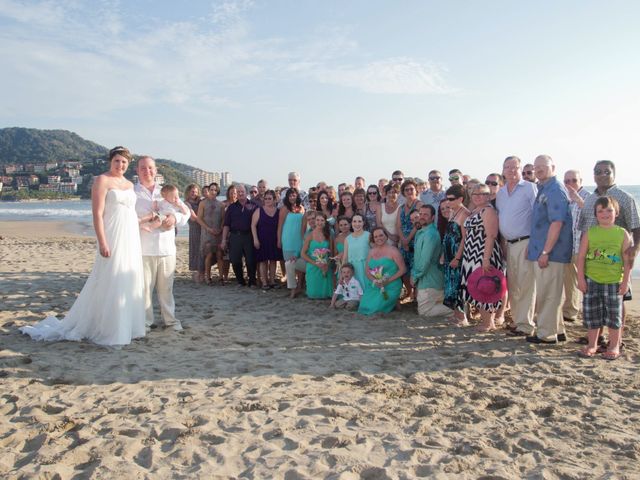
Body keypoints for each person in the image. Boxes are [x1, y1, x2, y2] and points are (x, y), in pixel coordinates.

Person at [21, 146, 145, 345]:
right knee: (108, 277)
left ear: (128, 164)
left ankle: (127, 325)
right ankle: (107, 328)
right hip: (112, 234)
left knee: (127, 278)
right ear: (110, 161)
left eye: (124, 162)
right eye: (117, 161)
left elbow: (131, 213)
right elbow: (97, 214)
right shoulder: (102, 180)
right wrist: (102, 241)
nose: (120, 165)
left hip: (130, 236)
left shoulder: (130, 184)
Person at [578, 160, 640, 349]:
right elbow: (583, 228)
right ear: (593, 175)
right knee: (595, 302)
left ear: (614, 173)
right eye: (598, 171)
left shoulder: (624, 197)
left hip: (615, 262)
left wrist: (634, 250)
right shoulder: (589, 198)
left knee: (617, 300)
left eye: (607, 171)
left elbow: (636, 226)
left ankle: (617, 341)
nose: (602, 174)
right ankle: (598, 338)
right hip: (591, 261)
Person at [135, 156, 188, 332]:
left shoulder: (166, 191)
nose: (147, 171)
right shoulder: (132, 193)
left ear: (156, 170)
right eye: (143, 168)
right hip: (144, 248)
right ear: (137, 170)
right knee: (144, 290)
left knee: (166, 289)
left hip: (166, 248)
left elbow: (185, 212)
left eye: (150, 168)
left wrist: (174, 218)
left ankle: (170, 321)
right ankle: (145, 322)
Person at [577, 197, 632, 360]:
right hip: (592, 280)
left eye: (609, 210)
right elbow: (581, 258)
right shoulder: (590, 233)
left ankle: (614, 345)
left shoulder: (622, 233)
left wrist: (625, 282)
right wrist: (581, 278)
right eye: (600, 211)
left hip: (614, 282)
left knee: (614, 317)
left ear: (616, 213)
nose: (605, 214)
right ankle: (592, 345)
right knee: (592, 315)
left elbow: (627, 261)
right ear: (595, 214)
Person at [526, 154, 573, 345]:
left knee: (548, 294)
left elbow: (557, 222)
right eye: (536, 167)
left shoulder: (555, 190)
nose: (538, 170)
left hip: (552, 253)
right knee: (550, 292)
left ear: (553, 167)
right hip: (541, 250)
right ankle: (558, 329)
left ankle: (546, 334)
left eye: (542, 166)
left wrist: (545, 252)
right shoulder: (544, 188)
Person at [496, 156, 538, 337]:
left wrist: (535, 244)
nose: (512, 171)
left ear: (520, 169)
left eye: (515, 167)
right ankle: (517, 320)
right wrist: (504, 244)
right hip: (509, 245)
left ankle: (526, 325)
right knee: (513, 286)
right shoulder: (501, 192)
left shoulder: (529, 188)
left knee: (527, 285)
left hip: (526, 242)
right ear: (503, 170)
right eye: (508, 167)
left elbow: (538, 216)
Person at [460, 183, 505, 332]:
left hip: (483, 253)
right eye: (475, 194)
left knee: (485, 286)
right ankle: (487, 321)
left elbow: (491, 236)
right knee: (476, 287)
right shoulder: (474, 210)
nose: (478, 196)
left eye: (482, 194)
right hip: (471, 254)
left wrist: (485, 259)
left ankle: (487, 323)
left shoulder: (488, 211)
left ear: (489, 196)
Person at [411, 204, 454, 318]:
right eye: (420, 214)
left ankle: (456, 309)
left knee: (424, 312)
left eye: (426, 214)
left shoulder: (430, 235)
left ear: (432, 217)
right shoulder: (422, 232)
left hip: (430, 282)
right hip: (427, 281)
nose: (422, 216)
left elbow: (425, 260)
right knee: (426, 307)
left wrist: (414, 276)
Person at [562, 169, 590, 323]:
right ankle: (570, 311)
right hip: (568, 247)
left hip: (584, 248)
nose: (570, 184)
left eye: (574, 180)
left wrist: (579, 200)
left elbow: (594, 215)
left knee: (586, 282)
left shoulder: (588, 196)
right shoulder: (564, 197)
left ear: (581, 181)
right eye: (567, 181)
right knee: (570, 281)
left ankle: (589, 315)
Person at [358, 228, 406, 315]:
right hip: (375, 285)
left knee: (375, 308)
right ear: (373, 239)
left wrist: (387, 281)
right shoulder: (371, 252)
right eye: (375, 237)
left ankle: (393, 301)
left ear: (386, 236)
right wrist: (375, 281)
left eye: (381, 235)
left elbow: (403, 269)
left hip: (391, 285)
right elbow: (367, 271)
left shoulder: (393, 251)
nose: (378, 238)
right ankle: (393, 303)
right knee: (364, 306)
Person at [442, 185, 470, 325]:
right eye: (447, 199)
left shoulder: (464, 214)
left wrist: (458, 257)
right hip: (448, 254)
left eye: (451, 199)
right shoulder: (453, 211)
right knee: (450, 284)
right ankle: (456, 314)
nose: (448, 202)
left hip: (457, 254)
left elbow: (465, 238)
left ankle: (463, 317)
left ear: (460, 198)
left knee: (458, 285)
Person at [221, 184, 258, 287]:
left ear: (246, 192)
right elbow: (226, 225)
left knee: (251, 260)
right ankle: (240, 281)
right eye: (238, 192)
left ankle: (252, 281)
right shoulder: (231, 208)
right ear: (236, 194)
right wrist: (224, 240)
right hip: (235, 236)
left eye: (242, 191)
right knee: (235, 260)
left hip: (249, 236)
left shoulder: (254, 206)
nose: (240, 193)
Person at [251, 189, 283, 290]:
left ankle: (272, 281)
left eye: (270, 198)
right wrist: (255, 239)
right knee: (263, 261)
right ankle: (264, 282)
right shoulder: (259, 210)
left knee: (273, 261)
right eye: (266, 198)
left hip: (274, 239)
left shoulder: (278, 212)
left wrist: (279, 240)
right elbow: (253, 225)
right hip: (262, 240)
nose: (267, 200)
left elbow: (281, 226)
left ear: (274, 200)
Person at [397, 179, 422, 299]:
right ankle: (409, 292)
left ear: (416, 190)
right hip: (403, 243)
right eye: (406, 190)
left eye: (411, 189)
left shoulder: (419, 205)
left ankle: (417, 297)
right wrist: (403, 240)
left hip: (416, 241)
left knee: (415, 269)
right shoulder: (401, 207)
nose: (409, 191)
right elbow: (398, 226)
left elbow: (419, 224)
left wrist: (408, 239)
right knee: (404, 269)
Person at [277, 187, 305, 297]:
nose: (292, 197)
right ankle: (292, 287)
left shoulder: (301, 208)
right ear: (287, 197)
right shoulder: (284, 209)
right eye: (290, 195)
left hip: (299, 239)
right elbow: (280, 226)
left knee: (299, 264)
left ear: (297, 196)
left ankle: (299, 285)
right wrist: (279, 239)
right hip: (288, 240)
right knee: (290, 264)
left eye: (294, 195)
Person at [301, 213, 334, 299]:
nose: (319, 222)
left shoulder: (328, 234)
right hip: (313, 265)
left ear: (325, 222)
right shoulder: (310, 235)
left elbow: (331, 253)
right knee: (313, 294)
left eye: (322, 220)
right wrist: (315, 263)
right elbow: (303, 254)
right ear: (315, 221)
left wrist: (327, 264)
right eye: (317, 220)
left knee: (327, 294)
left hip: (325, 265)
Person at [199, 183, 225, 284]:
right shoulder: (203, 203)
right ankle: (208, 277)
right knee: (209, 255)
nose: (213, 191)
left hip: (218, 233)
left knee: (219, 255)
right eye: (211, 189)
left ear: (217, 192)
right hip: (207, 233)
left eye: (215, 190)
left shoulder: (221, 204)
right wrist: (208, 229)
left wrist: (220, 229)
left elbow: (223, 219)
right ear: (208, 190)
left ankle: (221, 277)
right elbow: (199, 218)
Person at [184, 183, 205, 283]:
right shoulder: (186, 203)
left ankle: (202, 273)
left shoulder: (201, 201)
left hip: (203, 228)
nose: (194, 193)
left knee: (203, 251)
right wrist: (207, 226)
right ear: (188, 192)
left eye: (196, 192)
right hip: (195, 229)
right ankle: (197, 273)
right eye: (192, 191)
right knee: (196, 250)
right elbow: (194, 217)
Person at [342, 214, 370, 289]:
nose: (357, 224)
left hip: (365, 267)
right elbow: (345, 257)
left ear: (363, 223)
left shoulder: (368, 235)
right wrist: (342, 273)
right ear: (351, 223)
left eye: (359, 221)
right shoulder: (347, 239)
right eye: (354, 221)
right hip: (352, 268)